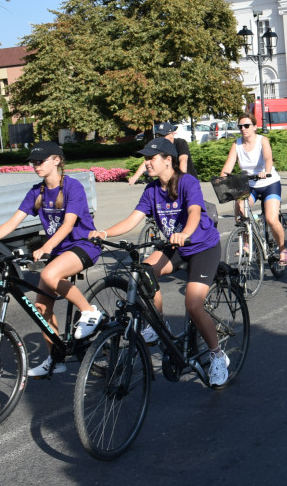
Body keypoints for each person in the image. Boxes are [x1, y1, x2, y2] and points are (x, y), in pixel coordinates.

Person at [0, 141, 103, 377]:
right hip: (58, 251)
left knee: (49, 274)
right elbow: (12, 223)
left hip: (83, 245)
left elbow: (68, 224)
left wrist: (46, 246)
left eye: (40, 161)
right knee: (41, 308)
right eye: (32, 161)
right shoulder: (37, 192)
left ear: (56, 160)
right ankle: (55, 360)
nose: (35, 165)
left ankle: (89, 311)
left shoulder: (73, 188)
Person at [95, 138, 229, 387]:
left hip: (202, 246)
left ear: (168, 160)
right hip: (176, 246)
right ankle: (159, 323)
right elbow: (132, 219)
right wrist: (103, 233)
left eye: (151, 158)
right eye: (145, 159)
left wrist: (186, 233)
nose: (146, 163)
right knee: (144, 273)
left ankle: (218, 355)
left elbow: (194, 213)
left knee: (193, 304)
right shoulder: (151, 190)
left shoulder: (188, 182)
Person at [221, 113, 287, 267]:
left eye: (246, 125)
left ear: (255, 127)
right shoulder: (236, 145)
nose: (243, 129)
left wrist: (266, 170)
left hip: (269, 182)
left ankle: (283, 249)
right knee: (240, 209)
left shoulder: (262, 140)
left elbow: (268, 158)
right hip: (249, 184)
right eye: (240, 126)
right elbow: (228, 166)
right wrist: (222, 180)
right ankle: (247, 243)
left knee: (271, 219)